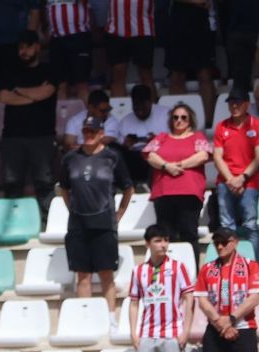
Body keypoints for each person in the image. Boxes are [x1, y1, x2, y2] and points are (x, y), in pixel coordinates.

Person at [58, 115, 133, 310]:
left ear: (101, 133)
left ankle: (109, 319)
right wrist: (72, 210)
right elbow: (64, 188)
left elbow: (128, 188)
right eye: (85, 131)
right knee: (82, 275)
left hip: (104, 223)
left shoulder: (112, 157)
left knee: (106, 275)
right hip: (78, 225)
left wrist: (119, 214)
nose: (88, 135)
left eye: (93, 131)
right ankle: (86, 317)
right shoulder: (70, 158)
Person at [125, 224, 195, 352]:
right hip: (147, 334)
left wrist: (186, 331)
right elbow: (134, 302)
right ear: (147, 244)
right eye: (158, 241)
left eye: (166, 240)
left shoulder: (178, 268)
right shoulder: (138, 270)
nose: (163, 245)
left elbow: (189, 298)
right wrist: (134, 333)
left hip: (172, 333)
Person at [0, 30, 58, 218]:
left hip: (42, 136)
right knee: (12, 184)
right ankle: (13, 223)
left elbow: (46, 93)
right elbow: (4, 97)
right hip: (12, 137)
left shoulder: (49, 69)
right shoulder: (9, 70)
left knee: (44, 183)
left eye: (28, 46)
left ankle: (48, 223)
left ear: (37, 47)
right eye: (21, 47)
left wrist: (19, 91)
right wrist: (34, 95)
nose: (24, 51)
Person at [194, 228, 259, 352]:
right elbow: (202, 300)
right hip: (215, 329)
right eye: (217, 243)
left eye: (224, 242)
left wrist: (231, 319)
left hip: (243, 328)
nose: (220, 246)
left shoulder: (251, 266)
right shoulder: (207, 269)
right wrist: (220, 322)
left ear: (235, 242)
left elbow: (254, 298)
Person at [144, 104, 212, 246]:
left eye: (183, 117)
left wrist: (180, 165)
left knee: (189, 233)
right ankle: (169, 268)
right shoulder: (162, 137)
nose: (179, 120)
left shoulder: (197, 137)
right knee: (166, 236)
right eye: (175, 117)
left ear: (190, 120)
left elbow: (203, 156)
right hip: (164, 193)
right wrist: (166, 166)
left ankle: (191, 268)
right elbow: (150, 155)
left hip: (189, 192)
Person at [213, 90, 259, 253]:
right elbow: (217, 156)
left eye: (238, 102)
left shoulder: (256, 124)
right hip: (226, 182)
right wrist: (232, 179)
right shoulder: (221, 126)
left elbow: (258, 156)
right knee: (226, 226)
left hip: (250, 182)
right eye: (231, 103)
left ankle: (254, 265)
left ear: (247, 104)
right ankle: (230, 261)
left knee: (250, 224)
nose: (234, 106)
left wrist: (242, 177)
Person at [117, 83, 169, 189]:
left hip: (159, 156)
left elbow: (177, 139)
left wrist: (157, 140)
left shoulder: (166, 114)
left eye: (143, 108)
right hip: (135, 157)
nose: (140, 112)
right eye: (136, 108)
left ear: (150, 102)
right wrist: (126, 143)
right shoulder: (126, 121)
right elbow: (120, 145)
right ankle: (129, 187)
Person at [41, 0, 93, 99]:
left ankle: (88, 114)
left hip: (79, 37)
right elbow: (43, 6)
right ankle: (61, 114)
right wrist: (45, 28)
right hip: (56, 39)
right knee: (60, 85)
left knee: (81, 84)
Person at [105, 0, 154, 98]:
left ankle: (154, 111)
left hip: (143, 30)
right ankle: (118, 112)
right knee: (118, 75)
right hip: (116, 30)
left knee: (146, 74)